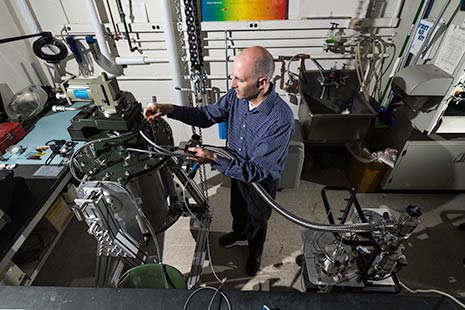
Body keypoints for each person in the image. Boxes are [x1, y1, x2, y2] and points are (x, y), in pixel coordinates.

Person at [144, 46, 295, 276]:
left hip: (260, 180)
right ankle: (239, 233)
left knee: (257, 218)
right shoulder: (237, 97)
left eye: (239, 79)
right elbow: (206, 116)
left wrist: (213, 157)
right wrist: (170, 109)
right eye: (232, 77)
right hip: (236, 168)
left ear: (262, 83)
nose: (233, 84)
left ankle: (255, 252)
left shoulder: (280, 119)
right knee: (238, 208)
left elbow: (257, 171)